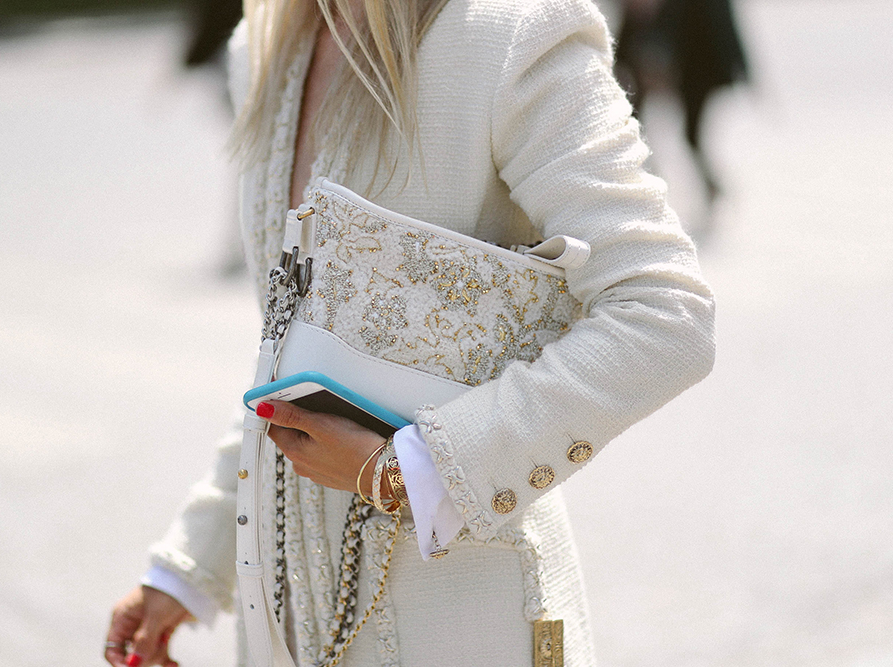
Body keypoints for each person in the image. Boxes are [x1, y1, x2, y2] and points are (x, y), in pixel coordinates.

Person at [105, 0, 716, 665]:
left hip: (473, 626)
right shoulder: (262, 48)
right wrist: (189, 568)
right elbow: (286, 358)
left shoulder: (510, 34)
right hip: (289, 635)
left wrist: (416, 470)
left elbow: (663, 310)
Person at [615, 0, 749, 208]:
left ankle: (703, 186)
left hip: (697, 67)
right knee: (633, 123)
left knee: (690, 135)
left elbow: (721, 26)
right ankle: (642, 181)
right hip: (654, 61)